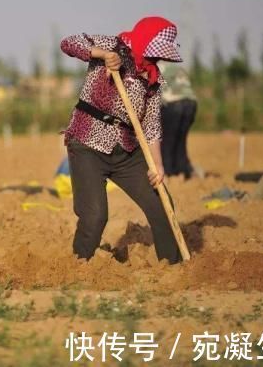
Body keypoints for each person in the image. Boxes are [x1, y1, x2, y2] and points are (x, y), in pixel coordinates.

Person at [60, 16, 183, 264]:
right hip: (88, 144)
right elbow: (68, 43)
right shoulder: (112, 45)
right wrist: (102, 55)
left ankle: (172, 266)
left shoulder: (153, 79)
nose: (157, 59)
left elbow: (151, 126)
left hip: (126, 151)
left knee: (161, 203)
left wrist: (157, 165)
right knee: (95, 215)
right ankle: (78, 264)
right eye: (154, 53)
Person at [160, 67, 197, 179]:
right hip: (191, 103)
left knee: (166, 140)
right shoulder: (174, 63)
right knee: (180, 141)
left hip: (172, 103)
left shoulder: (156, 64)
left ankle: (167, 173)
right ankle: (182, 172)